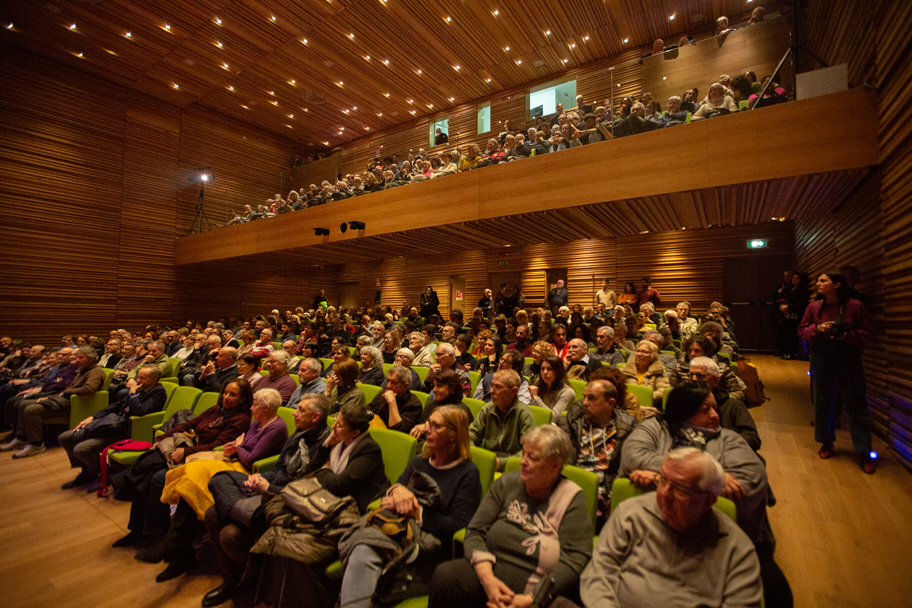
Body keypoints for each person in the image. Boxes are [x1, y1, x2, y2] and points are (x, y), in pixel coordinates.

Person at [620, 380, 789, 607]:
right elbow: (634, 456)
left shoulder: (728, 439)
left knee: (778, 595)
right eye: (705, 409)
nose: (715, 415)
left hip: (719, 540)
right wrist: (709, 477)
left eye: (715, 408)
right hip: (655, 534)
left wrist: (661, 478)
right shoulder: (656, 428)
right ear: (684, 411)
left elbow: (750, 481)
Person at [428, 425, 593, 608]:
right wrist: (487, 579)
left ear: (554, 466)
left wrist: (532, 599)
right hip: (490, 579)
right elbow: (475, 531)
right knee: (446, 576)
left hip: (537, 594)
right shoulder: (507, 483)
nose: (523, 462)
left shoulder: (571, 498)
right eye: (523, 454)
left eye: (532, 457)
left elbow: (576, 558)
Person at [339, 405, 482, 608]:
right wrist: (397, 491)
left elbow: (458, 525)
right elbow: (393, 491)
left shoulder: (467, 473)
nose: (427, 429)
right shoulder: (420, 461)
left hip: (429, 547)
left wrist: (417, 512)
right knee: (363, 548)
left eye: (436, 426)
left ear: (453, 435)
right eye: (428, 424)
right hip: (397, 530)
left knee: (364, 550)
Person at [581, 449, 763, 608]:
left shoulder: (737, 550)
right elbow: (598, 576)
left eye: (679, 488)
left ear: (710, 499)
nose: (664, 494)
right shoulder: (630, 514)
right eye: (662, 480)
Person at [253, 402, 388, 608]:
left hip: (350, 513)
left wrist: (324, 472)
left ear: (355, 432)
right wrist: (326, 445)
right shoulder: (338, 442)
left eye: (339, 425)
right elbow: (310, 471)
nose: (333, 427)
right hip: (324, 505)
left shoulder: (369, 449)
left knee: (298, 551)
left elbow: (340, 486)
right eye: (335, 421)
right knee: (280, 534)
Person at [202, 394, 332, 607]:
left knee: (224, 528)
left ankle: (236, 579)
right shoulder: (298, 434)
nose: (294, 413)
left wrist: (269, 488)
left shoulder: (325, 446)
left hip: (287, 500)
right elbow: (279, 468)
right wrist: (260, 478)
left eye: (300, 410)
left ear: (315, 417)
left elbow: (304, 488)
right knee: (219, 481)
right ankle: (244, 522)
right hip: (267, 491)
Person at [153, 388, 288, 581]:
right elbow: (243, 446)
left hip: (247, 471)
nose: (251, 408)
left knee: (195, 476)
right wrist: (236, 447)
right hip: (234, 461)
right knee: (191, 476)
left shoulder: (276, 428)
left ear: (266, 407)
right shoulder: (257, 421)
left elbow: (251, 458)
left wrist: (238, 447)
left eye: (254, 404)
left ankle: (175, 547)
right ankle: (174, 544)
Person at [111, 379, 253, 551]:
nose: (226, 397)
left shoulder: (240, 420)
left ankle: (155, 533)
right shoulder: (216, 409)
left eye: (233, 395)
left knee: (157, 477)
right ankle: (137, 529)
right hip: (187, 449)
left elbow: (216, 446)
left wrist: (184, 452)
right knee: (147, 474)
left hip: (202, 457)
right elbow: (187, 425)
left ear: (243, 399)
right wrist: (161, 438)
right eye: (225, 392)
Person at [799, 271, 875, 472]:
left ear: (837, 284)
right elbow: (802, 331)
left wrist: (847, 335)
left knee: (856, 402)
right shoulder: (813, 307)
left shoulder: (855, 306)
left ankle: (864, 449)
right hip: (821, 355)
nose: (818, 283)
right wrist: (818, 329)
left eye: (823, 280)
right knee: (822, 400)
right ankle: (826, 441)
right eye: (818, 280)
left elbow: (867, 333)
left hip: (848, 355)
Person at [58, 364, 167, 492]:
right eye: (138, 377)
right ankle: (87, 472)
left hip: (126, 430)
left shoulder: (158, 392)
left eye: (142, 378)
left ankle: (105, 473)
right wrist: (93, 417)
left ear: (154, 379)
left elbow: (139, 411)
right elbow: (118, 405)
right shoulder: (141, 388)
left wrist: (132, 394)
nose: (138, 380)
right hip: (111, 424)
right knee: (64, 437)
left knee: (81, 449)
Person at [558, 378, 638, 528]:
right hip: (569, 489)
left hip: (604, 496)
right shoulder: (569, 423)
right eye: (585, 397)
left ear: (610, 403)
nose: (585, 402)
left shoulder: (628, 429)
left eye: (592, 398)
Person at [2, 346, 105, 459]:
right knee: (23, 404)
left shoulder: (95, 372)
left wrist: (65, 392)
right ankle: (21, 438)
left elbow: (89, 389)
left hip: (74, 404)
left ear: (90, 359)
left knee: (31, 409)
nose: (77, 360)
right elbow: (67, 390)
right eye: (77, 357)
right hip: (64, 400)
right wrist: (50, 397)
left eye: (81, 358)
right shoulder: (82, 370)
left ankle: (36, 444)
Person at [468, 369, 536, 470]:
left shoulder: (524, 414)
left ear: (513, 391)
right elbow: (470, 437)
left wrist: (501, 463)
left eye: (498, 387)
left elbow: (529, 450)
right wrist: (477, 456)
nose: (491, 391)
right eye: (492, 385)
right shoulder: (487, 409)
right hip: (488, 461)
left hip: (512, 467)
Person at [410, 369, 474, 441]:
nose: (434, 390)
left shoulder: (461, 411)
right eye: (434, 385)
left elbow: (457, 441)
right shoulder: (431, 405)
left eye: (439, 386)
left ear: (452, 389)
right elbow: (420, 436)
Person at [366, 365, 423, 432]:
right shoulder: (382, 394)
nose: (388, 386)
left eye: (394, 382)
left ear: (405, 386)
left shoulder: (414, 405)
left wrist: (392, 402)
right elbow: (366, 412)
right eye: (388, 381)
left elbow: (398, 430)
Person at [621, 341, 670, 406]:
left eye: (644, 352)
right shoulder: (624, 370)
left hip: (649, 407)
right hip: (627, 405)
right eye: (638, 351)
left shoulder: (659, 371)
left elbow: (663, 392)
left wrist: (643, 397)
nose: (639, 354)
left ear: (652, 356)